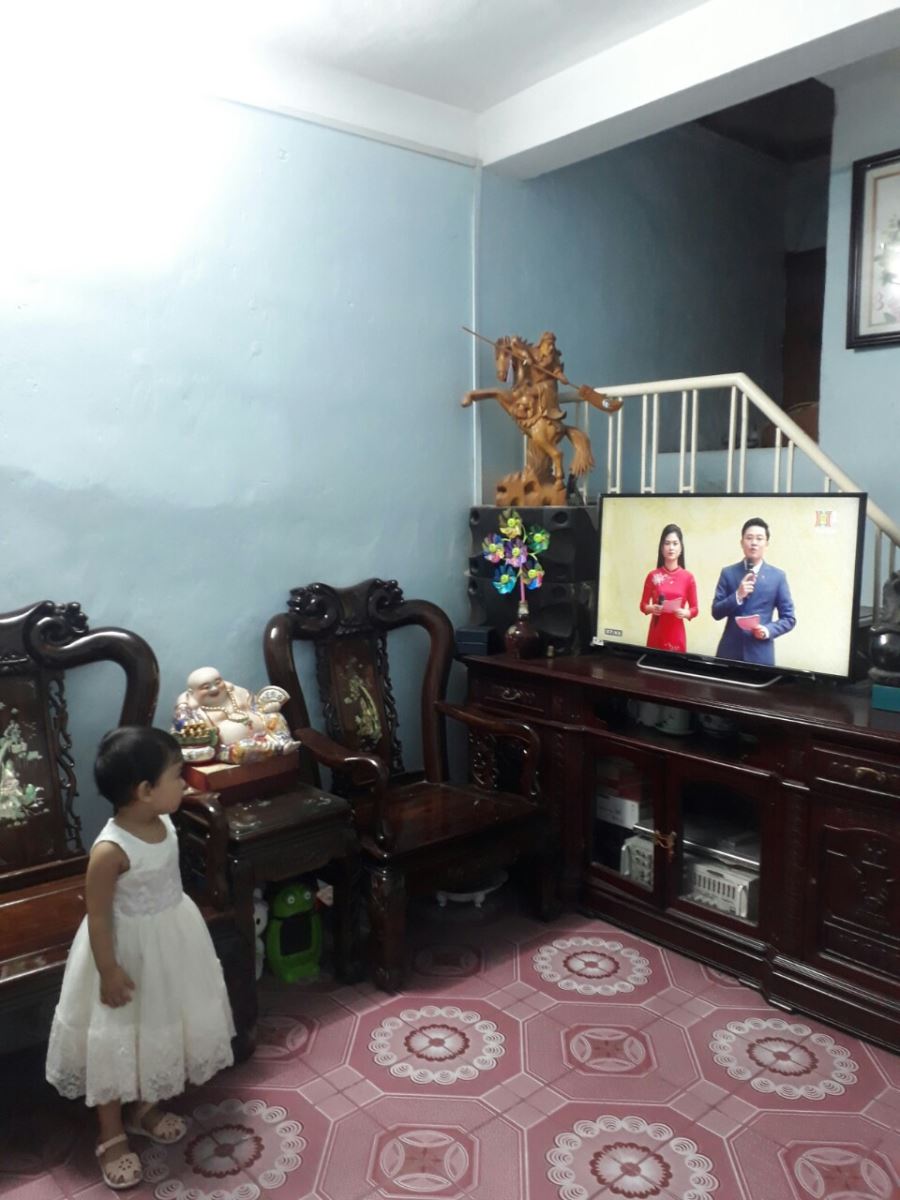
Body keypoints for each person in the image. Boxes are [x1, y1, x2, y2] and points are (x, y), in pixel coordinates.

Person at [45, 727, 235, 1190]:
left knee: (157, 1024)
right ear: (145, 790)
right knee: (115, 1039)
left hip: (171, 946)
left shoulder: (164, 820)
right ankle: (111, 1134)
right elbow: (97, 916)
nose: (185, 782)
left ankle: (145, 1106)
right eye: (177, 775)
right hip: (124, 956)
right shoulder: (111, 850)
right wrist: (109, 970)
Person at [712, 516, 796, 665]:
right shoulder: (728, 573)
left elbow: (789, 618)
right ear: (741, 542)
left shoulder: (778, 577)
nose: (754, 543)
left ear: (767, 543)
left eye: (759, 538)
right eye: (749, 538)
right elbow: (716, 612)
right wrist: (738, 595)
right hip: (729, 653)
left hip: (760, 654)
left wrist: (767, 630)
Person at [640, 524, 699, 652]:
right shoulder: (652, 576)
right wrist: (652, 608)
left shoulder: (688, 577)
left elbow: (695, 609)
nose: (671, 548)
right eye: (667, 543)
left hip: (676, 635)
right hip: (656, 633)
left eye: (675, 543)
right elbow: (643, 605)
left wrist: (686, 613)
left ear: (681, 548)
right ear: (662, 548)